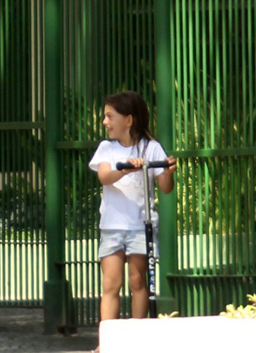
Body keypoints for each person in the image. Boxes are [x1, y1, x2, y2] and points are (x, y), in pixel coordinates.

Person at [88, 91, 176, 352]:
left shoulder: (152, 147)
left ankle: (138, 341)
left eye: (109, 116)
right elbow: (104, 176)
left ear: (128, 119)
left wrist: (168, 172)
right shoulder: (107, 148)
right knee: (110, 284)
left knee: (138, 282)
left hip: (140, 226)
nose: (105, 121)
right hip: (112, 226)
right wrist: (126, 166)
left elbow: (166, 187)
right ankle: (108, 343)